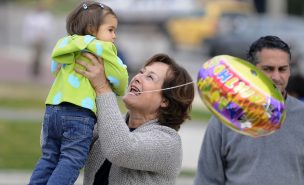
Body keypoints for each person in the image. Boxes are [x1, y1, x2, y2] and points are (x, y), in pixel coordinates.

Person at [28, 1, 128, 185]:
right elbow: (121, 81)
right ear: (91, 29)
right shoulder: (104, 49)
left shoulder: (66, 43)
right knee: (71, 159)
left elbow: (54, 68)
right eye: (111, 30)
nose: (114, 36)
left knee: (49, 158)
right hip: (80, 113)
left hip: (53, 110)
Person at [194, 35, 304, 185]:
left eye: (282, 69)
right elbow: (207, 179)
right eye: (268, 69)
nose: (277, 77)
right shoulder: (225, 118)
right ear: (251, 71)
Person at [74, 53, 195, 184]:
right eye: (141, 72)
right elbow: (68, 142)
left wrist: (103, 88)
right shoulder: (109, 125)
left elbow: (120, 149)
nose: (137, 78)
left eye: (150, 77)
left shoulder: (169, 143)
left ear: (165, 101)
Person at [22, 2, 54, 77]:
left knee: (39, 56)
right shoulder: (31, 16)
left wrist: (45, 36)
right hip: (33, 39)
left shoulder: (47, 17)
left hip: (41, 40)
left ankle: (37, 70)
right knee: (34, 55)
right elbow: (27, 28)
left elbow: (49, 28)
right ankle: (34, 69)